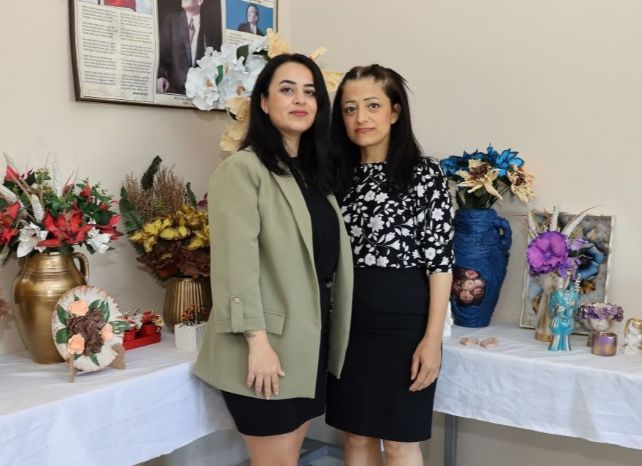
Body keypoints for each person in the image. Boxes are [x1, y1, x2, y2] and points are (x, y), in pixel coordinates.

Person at [193, 54, 353, 466]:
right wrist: (258, 343)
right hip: (265, 347)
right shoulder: (243, 170)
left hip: (307, 345)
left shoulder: (314, 176)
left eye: (310, 92)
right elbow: (235, 265)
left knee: (289, 457)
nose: (300, 99)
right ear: (263, 102)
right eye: (287, 89)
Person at [326, 65, 454, 466]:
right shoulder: (334, 176)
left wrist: (432, 340)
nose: (360, 118)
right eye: (349, 109)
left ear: (395, 112)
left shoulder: (424, 173)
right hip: (347, 322)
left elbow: (440, 263)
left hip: (405, 324)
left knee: (400, 441)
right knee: (355, 435)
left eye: (372, 106)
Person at [157, 0, 218, 94]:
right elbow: (162, 52)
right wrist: (161, 76)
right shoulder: (172, 20)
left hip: (200, 92)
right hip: (173, 88)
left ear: (199, 1)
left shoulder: (210, 25)